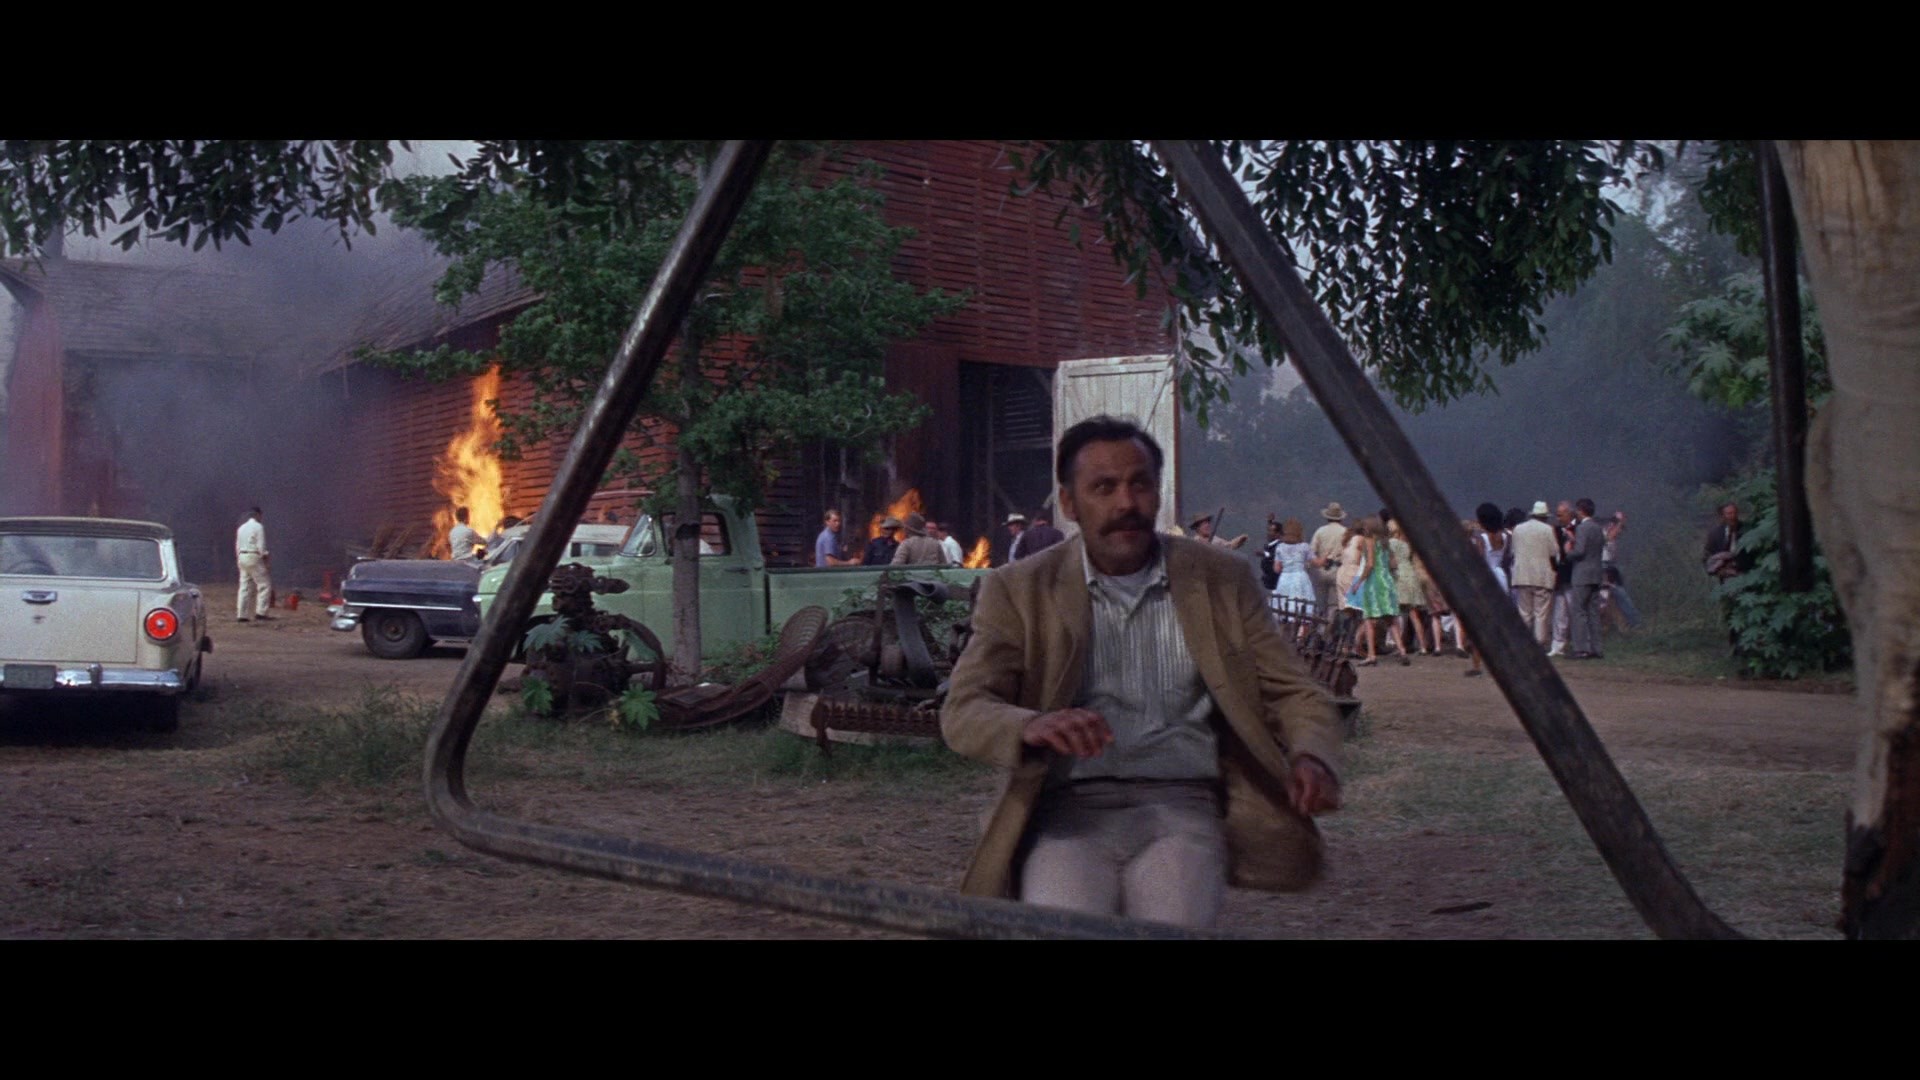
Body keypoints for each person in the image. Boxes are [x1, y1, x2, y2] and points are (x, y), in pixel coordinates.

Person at [940, 415, 1343, 929]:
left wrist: (1312, 755)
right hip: (1065, 812)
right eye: (1103, 487)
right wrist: (1030, 725)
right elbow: (965, 708)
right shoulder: (1020, 588)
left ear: (1157, 492)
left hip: (1182, 805)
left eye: (1140, 484)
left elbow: (1294, 692)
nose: (1125, 503)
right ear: (1069, 503)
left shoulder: (1220, 580)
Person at [1510, 501, 1559, 648]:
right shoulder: (1547, 530)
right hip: (1541, 576)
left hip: (1522, 575)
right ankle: (1539, 644)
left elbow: (1514, 550)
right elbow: (1554, 552)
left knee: (1524, 612)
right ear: (1544, 516)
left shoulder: (1518, 529)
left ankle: (1523, 643)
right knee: (1540, 614)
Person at [1565, 498, 1607, 659]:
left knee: (1579, 611)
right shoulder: (1598, 528)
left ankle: (1581, 649)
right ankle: (1597, 648)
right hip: (1596, 574)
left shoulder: (1583, 528)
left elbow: (1580, 551)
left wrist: (1568, 552)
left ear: (1581, 511)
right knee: (1593, 613)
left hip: (1582, 574)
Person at [1387, 518, 1430, 657]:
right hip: (1410, 574)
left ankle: (1400, 646)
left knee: (1395, 614)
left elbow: (1392, 563)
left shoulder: (1390, 543)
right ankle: (1422, 646)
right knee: (1413, 613)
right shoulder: (1407, 544)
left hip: (1399, 576)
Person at [1548, 500, 1577, 658]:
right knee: (1559, 613)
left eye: (1560, 515)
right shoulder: (1557, 530)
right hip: (1561, 574)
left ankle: (1579, 644)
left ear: (1569, 514)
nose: (1558, 518)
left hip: (1573, 574)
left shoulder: (1578, 528)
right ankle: (1557, 645)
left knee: (1574, 611)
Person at [1309, 502, 1349, 616]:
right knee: (1334, 604)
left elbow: (1311, 551)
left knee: (1320, 603)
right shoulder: (1345, 532)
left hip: (1321, 569)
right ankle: (1330, 623)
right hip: (1337, 570)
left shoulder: (1320, 531)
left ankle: (1320, 623)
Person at [235, 505, 273, 623]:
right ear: (258, 515)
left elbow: (237, 546)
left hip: (242, 556)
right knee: (264, 585)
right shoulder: (258, 527)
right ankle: (261, 612)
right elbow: (261, 546)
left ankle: (242, 614)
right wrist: (266, 558)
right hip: (254, 556)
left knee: (244, 586)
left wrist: (239, 559)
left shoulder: (241, 528)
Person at [1271, 518, 1316, 616]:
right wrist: (1325, 559)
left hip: (1285, 578)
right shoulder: (1304, 547)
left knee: (1283, 604)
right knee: (1301, 604)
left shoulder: (1280, 547)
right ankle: (1300, 624)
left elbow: (1276, 569)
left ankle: (1284, 621)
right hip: (1300, 577)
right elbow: (1315, 562)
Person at [1703, 502, 1751, 581]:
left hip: (1747, 576)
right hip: (1725, 579)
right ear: (1723, 516)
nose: (1733, 516)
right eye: (1729, 513)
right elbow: (1706, 556)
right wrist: (1720, 571)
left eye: (1734, 513)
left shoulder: (1748, 530)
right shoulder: (1715, 534)